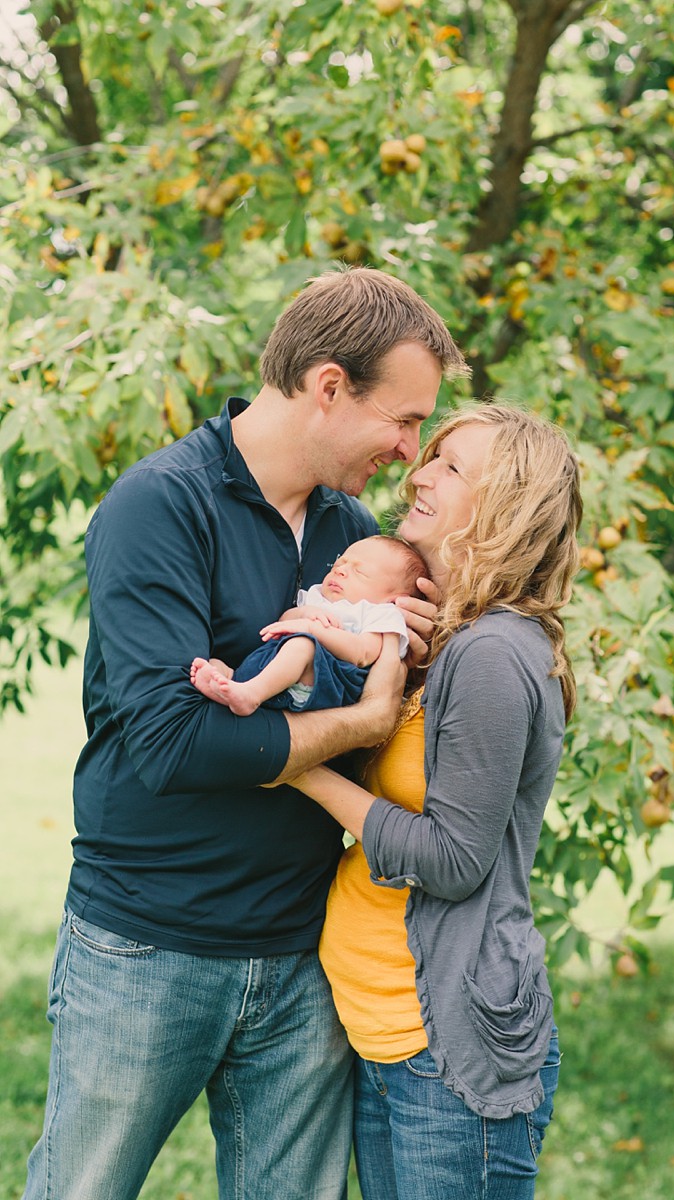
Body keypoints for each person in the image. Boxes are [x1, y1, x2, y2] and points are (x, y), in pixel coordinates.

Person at [22, 267, 468, 1200]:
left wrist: (411, 659)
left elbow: (391, 739)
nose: (411, 452)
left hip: (306, 957)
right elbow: (176, 746)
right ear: (329, 387)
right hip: (147, 949)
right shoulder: (160, 506)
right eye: (404, 419)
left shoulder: (358, 540)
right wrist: (359, 716)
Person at [285, 403, 583, 1200]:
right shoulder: (453, 640)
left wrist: (298, 770)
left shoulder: (492, 653)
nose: (418, 472)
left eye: (451, 468)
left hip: (445, 1053)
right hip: (388, 1037)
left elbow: (453, 862)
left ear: (504, 510)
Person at [190, 535, 427, 716]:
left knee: (303, 645)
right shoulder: (318, 598)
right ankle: (229, 680)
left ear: (393, 599)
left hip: (326, 683)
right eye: (340, 563)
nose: (341, 571)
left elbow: (363, 654)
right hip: (276, 668)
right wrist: (304, 613)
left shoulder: (381, 613)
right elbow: (283, 624)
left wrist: (314, 629)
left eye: (360, 572)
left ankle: (251, 695)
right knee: (217, 662)